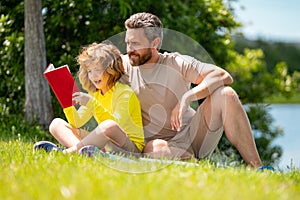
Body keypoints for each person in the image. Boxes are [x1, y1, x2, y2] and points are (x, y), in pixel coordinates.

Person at [121, 12, 263, 168]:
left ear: (155, 43)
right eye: (128, 43)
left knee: (226, 94)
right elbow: (94, 72)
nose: (129, 49)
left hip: (193, 136)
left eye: (135, 43)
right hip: (157, 146)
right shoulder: (122, 65)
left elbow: (223, 75)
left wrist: (187, 97)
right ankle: (194, 164)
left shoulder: (176, 62)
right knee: (154, 148)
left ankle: (258, 167)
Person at [34, 42, 144, 155]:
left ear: (111, 69)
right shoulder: (95, 94)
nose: (93, 76)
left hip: (129, 148)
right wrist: (67, 103)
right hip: (106, 145)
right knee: (56, 124)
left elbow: (115, 125)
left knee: (109, 126)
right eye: (90, 71)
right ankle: (83, 153)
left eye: (97, 70)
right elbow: (77, 123)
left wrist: (92, 104)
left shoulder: (125, 93)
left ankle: (68, 152)